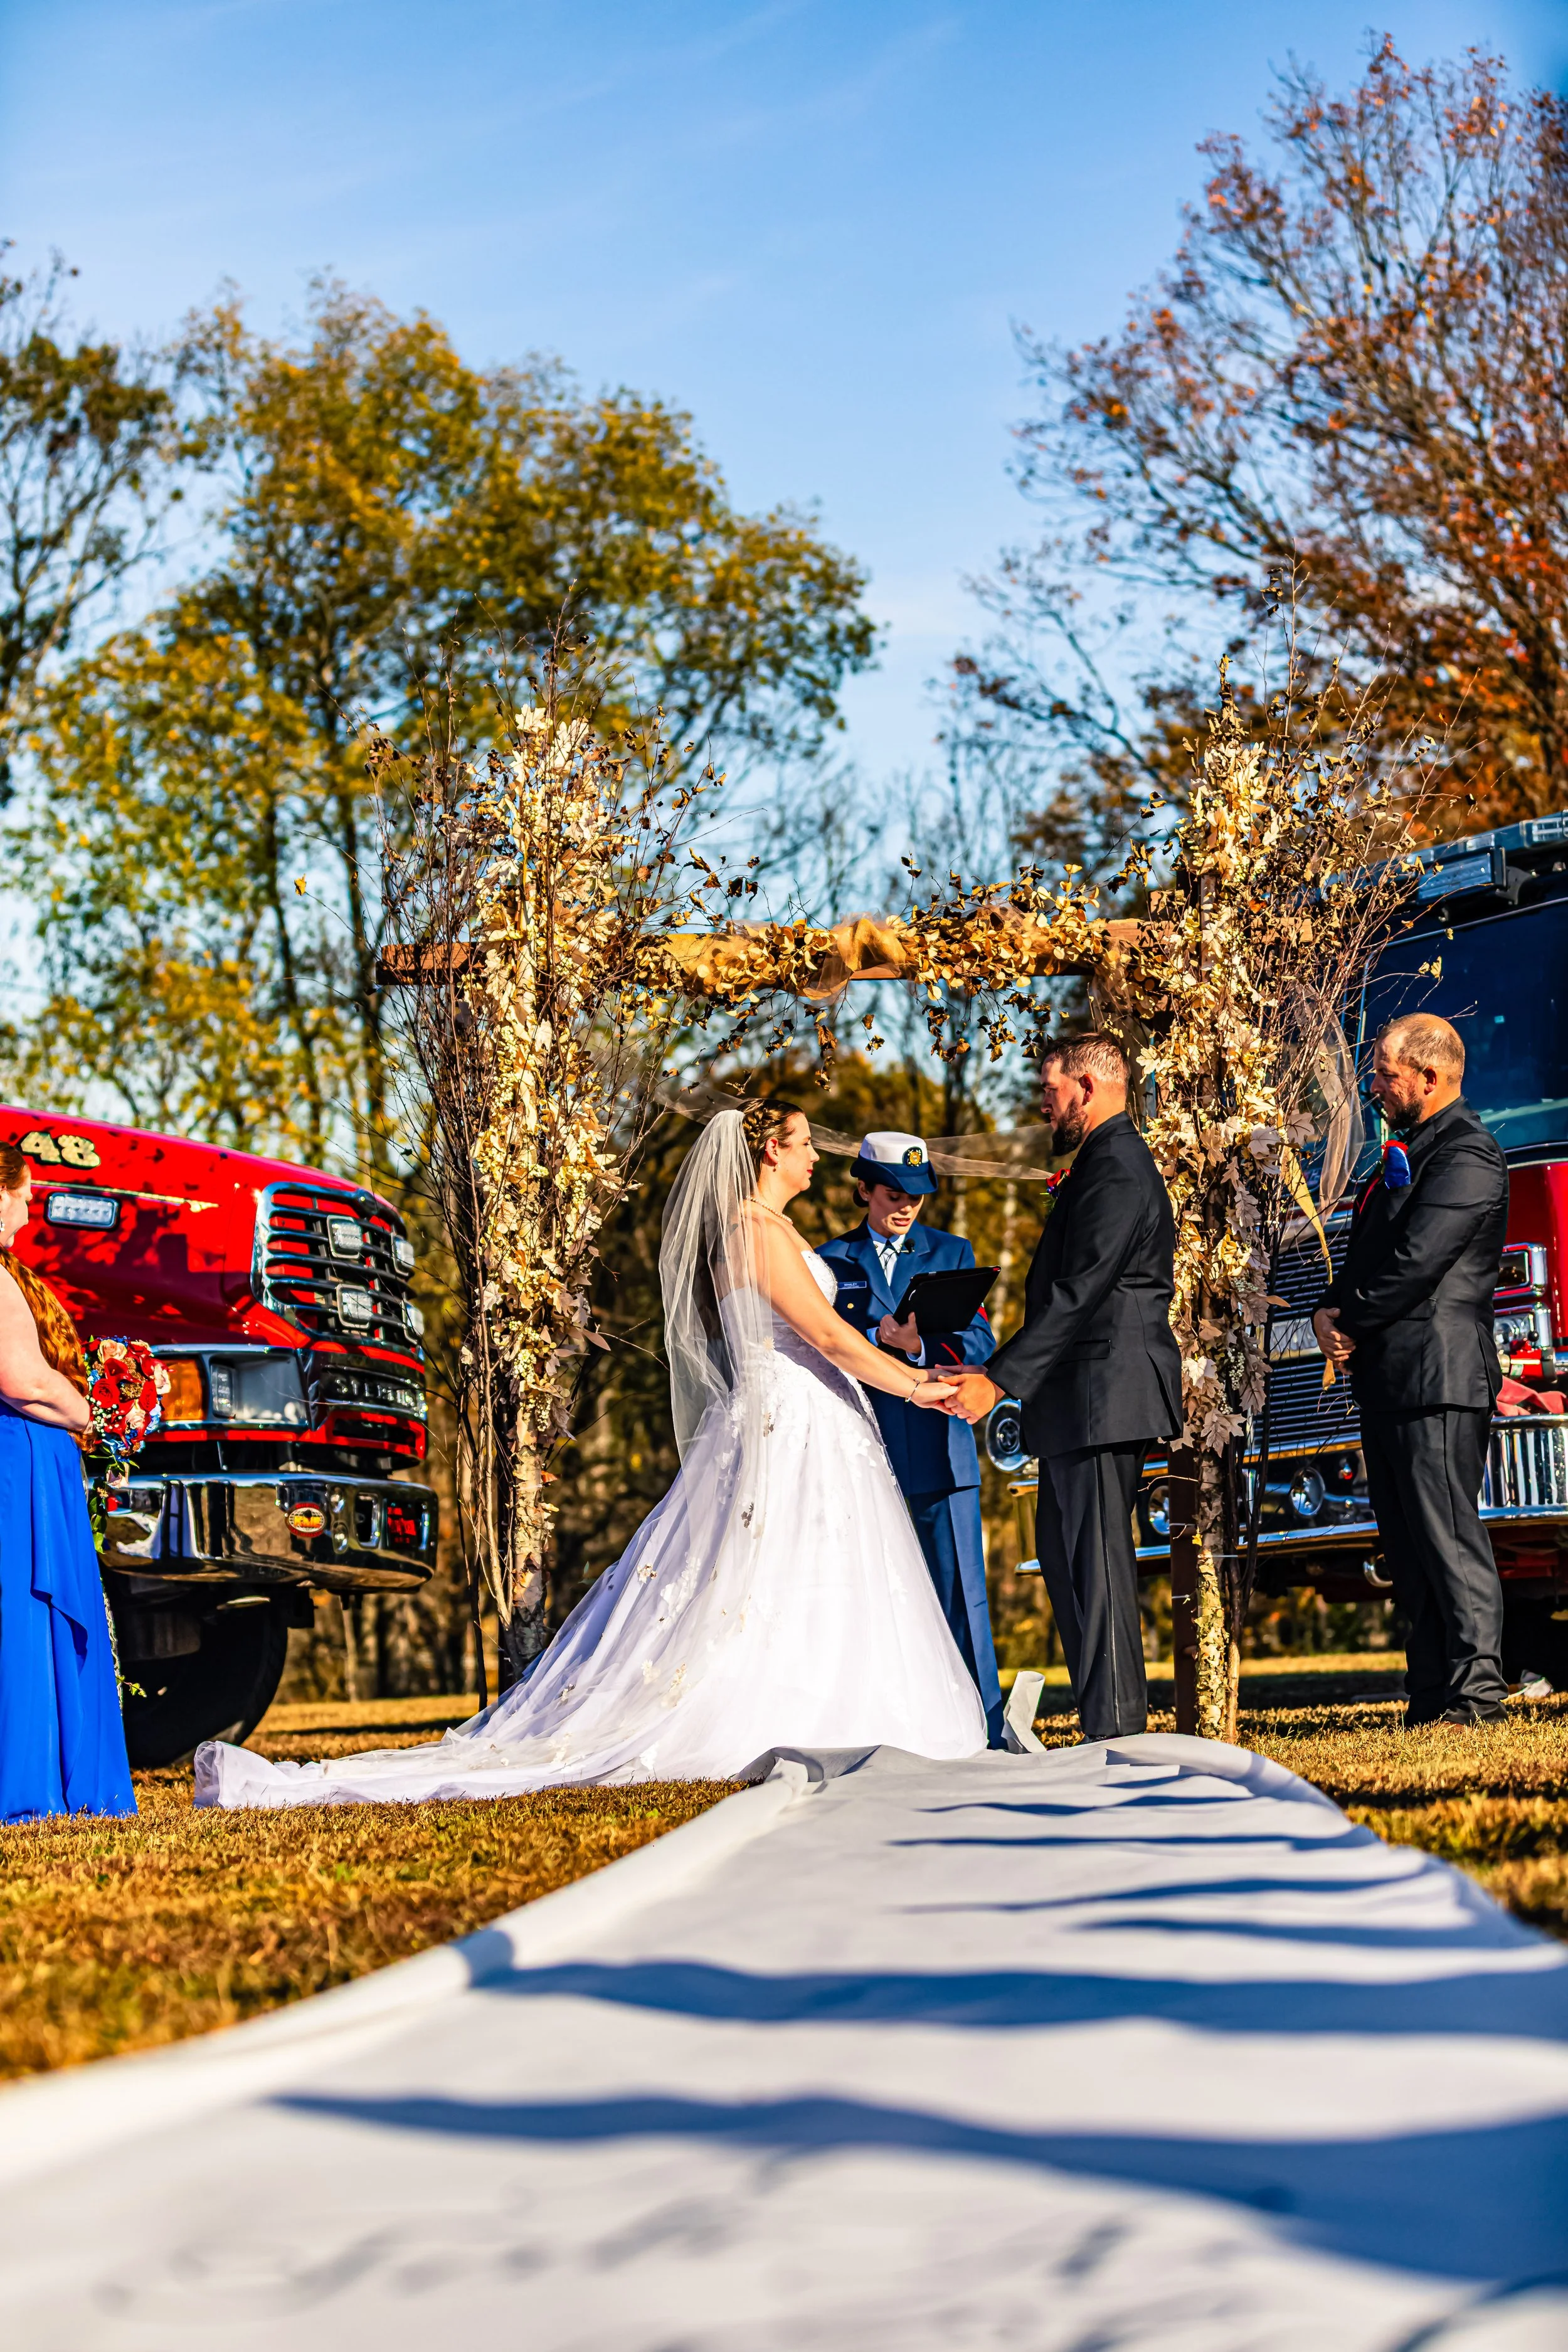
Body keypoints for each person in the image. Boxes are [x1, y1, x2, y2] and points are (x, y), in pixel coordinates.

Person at [195, 1102, 987, 1807]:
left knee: (808, 1572)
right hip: (795, 1422)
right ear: (768, 1154)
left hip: (799, 1416)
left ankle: (836, 1700)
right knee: (774, 1569)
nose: (818, 1156)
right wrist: (916, 1387)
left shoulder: (771, 1231)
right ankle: (783, 1710)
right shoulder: (752, 1231)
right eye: (804, 1143)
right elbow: (825, 1335)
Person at [941, 1035, 1182, 1742]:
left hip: (1106, 1394)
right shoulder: (1099, 1165)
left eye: (1050, 1091)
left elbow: (1078, 1295)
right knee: (1067, 1555)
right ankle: (1106, 1718)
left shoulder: (1116, 1169)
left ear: (1088, 1086)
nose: (1042, 1105)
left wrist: (998, 1380)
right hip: (1084, 1398)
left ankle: (1117, 1729)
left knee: (1096, 1564)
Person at [1313, 1015, 1509, 1727]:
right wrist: (1327, 1310)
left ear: (1429, 1077)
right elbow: (1370, 1252)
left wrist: (1351, 1319)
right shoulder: (1402, 1152)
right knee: (1407, 1546)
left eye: (1384, 1072)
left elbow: (1417, 1261)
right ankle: (1430, 1694)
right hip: (1391, 1380)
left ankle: (1477, 1694)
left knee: (1448, 1538)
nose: (1372, 1085)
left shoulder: (1468, 1156)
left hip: (1438, 1378)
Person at [818, 1130, 1004, 1744]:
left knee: (961, 1600)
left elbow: (979, 1345)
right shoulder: (827, 1261)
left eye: (916, 1197)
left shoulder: (952, 1252)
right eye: (893, 1193)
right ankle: (887, 1731)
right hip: (860, 1456)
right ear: (863, 1189)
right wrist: (875, 1343)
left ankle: (984, 1727)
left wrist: (919, 1347)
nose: (904, 1208)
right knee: (868, 1601)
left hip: (940, 1453)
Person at [0, 1147, 135, 1823]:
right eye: (24, 1196)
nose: (29, 1212)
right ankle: (29, 1784)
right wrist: (104, 1419)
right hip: (19, 1466)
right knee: (27, 1612)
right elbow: (21, 1380)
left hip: (33, 1461)